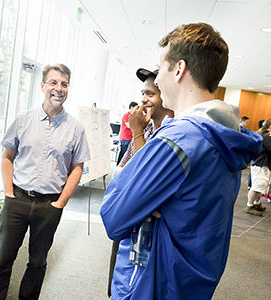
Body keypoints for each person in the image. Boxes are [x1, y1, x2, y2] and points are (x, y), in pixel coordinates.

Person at [100, 23, 262, 300]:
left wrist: (139, 200)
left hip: (151, 284)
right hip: (190, 280)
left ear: (179, 69)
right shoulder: (227, 135)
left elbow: (113, 215)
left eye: (161, 68)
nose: (158, 79)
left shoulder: (179, 139)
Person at [0, 64, 90, 300]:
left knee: (38, 263)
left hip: (49, 205)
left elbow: (77, 168)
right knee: (1, 261)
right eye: (53, 82)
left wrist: (60, 203)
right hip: (17, 200)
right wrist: (9, 192)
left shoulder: (76, 129)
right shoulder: (23, 120)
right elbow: (7, 157)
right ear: (42, 86)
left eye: (64, 84)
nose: (58, 88)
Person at [107, 68, 173, 297]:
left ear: (167, 94)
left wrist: (136, 132)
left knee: (140, 287)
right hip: (130, 221)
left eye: (150, 94)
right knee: (120, 281)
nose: (144, 99)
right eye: (143, 93)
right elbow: (122, 173)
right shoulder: (147, 128)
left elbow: (144, 180)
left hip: (150, 237)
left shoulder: (170, 132)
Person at [245, 118, 271, 216]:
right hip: (260, 164)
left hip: (262, 163)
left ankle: (257, 203)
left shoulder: (263, 135)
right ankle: (249, 205)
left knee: (261, 186)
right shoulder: (266, 137)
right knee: (256, 186)